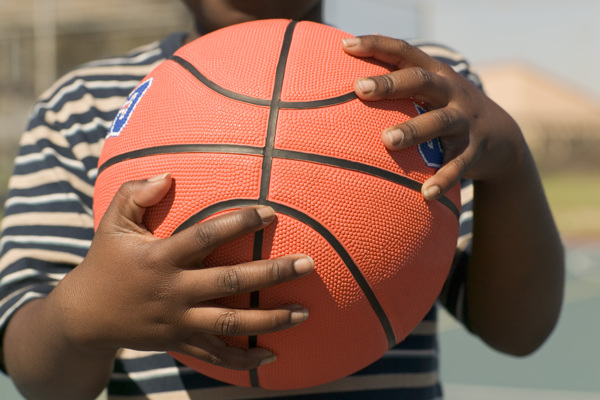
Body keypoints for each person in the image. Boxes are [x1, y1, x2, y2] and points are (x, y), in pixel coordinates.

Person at [0, 1, 564, 399]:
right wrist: (81, 319)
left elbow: (518, 330)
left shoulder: (422, 84)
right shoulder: (80, 107)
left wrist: (510, 163)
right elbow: (40, 375)